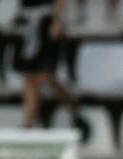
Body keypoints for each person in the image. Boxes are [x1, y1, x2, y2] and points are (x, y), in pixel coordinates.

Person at [13, 0, 88, 135]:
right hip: (29, 24)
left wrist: (57, 20)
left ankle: (73, 108)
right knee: (30, 77)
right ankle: (28, 123)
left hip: (45, 23)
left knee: (46, 76)